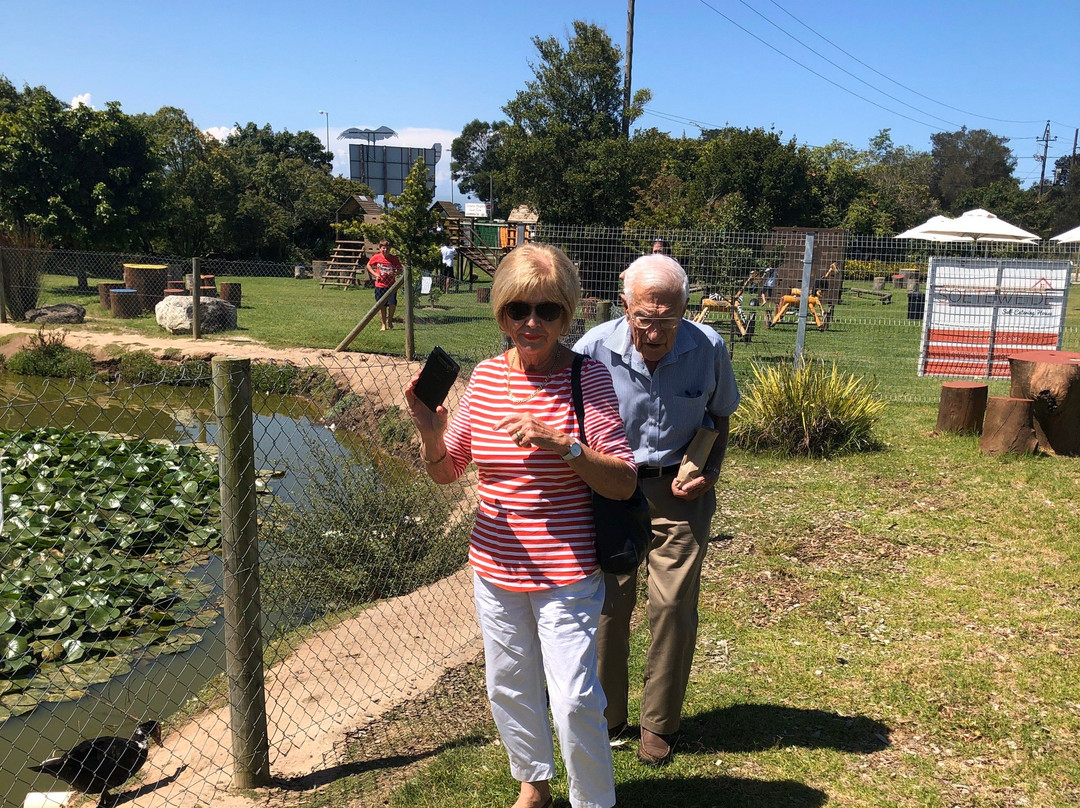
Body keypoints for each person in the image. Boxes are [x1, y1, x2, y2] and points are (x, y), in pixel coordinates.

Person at [405, 242, 637, 808]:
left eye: (547, 311)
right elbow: (448, 471)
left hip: (568, 571)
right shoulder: (485, 378)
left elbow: (625, 481)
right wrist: (431, 433)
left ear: (568, 313)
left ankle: (593, 800)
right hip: (495, 566)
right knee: (508, 686)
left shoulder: (589, 378)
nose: (531, 323)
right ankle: (533, 783)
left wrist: (567, 447)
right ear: (501, 313)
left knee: (576, 698)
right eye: (517, 311)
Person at [573, 253, 740, 767]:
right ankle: (608, 716)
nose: (655, 332)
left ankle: (659, 725)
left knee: (671, 608)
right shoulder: (592, 349)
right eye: (645, 318)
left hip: (679, 493)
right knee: (608, 608)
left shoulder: (708, 346)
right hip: (610, 494)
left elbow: (719, 414)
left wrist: (710, 470)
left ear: (685, 310)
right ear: (625, 307)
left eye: (668, 319)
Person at [367, 240, 402, 330]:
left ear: (390, 249)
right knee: (382, 305)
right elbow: (369, 265)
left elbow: (400, 269)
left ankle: (389, 320)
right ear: (380, 248)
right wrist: (375, 275)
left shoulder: (394, 259)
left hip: (391, 285)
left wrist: (394, 273)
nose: (385, 250)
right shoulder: (377, 257)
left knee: (392, 304)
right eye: (383, 248)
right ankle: (383, 324)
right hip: (380, 285)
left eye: (387, 248)